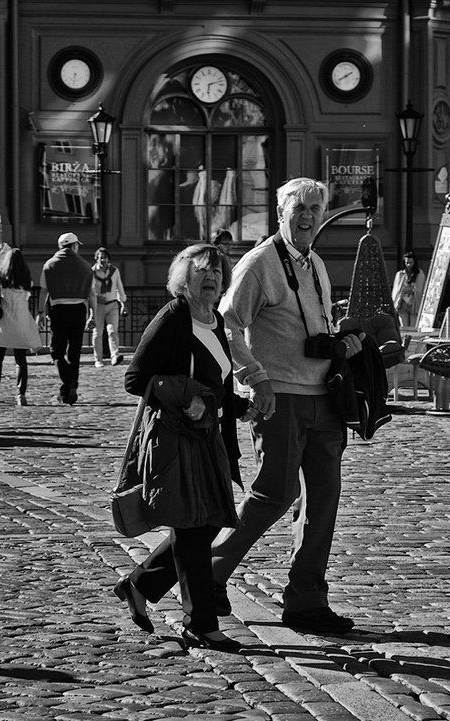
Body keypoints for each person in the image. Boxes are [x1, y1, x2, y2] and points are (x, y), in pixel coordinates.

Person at [214, 178, 366, 635]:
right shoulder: (260, 262)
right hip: (280, 399)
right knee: (272, 495)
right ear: (281, 212)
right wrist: (254, 379)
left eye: (316, 208)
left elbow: (309, 326)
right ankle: (205, 575)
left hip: (325, 400)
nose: (308, 215)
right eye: (299, 207)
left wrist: (343, 342)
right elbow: (228, 325)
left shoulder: (315, 262)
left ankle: (306, 601)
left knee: (323, 503)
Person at [113, 244, 258, 652]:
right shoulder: (173, 317)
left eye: (216, 271)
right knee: (195, 528)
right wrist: (185, 396)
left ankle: (140, 583)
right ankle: (200, 623)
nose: (210, 277)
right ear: (183, 277)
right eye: (200, 271)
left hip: (211, 438)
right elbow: (136, 379)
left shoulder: (213, 320)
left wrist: (241, 407)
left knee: (206, 521)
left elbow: (217, 384)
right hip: (179, 440)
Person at [37, 233, 95, 405]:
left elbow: (43, 291)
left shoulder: (49, 265)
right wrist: (93, 314)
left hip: (59, 310)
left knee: (56, 351)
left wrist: (40, 312)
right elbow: (92, 293)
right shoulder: (85, 266)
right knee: (75, 352)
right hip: (78, 310)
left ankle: (68, 382)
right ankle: (72, 387)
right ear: (74, 246)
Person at [0, 248, 42, 406]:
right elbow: (27, 296)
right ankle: (20, 395)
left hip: (3, 322)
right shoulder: (26, 279)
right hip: (20, 321)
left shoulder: (1, 277)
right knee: (20, 359)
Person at [91, 247, 127, 368]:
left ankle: (114, 356)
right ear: (96, 259)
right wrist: (96, 297)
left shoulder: (114, 271)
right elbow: (89, 290)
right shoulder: (92, 272)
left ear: (108, 259)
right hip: (98, 306)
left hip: (112, 304)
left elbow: (119, 287)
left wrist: (123, 303)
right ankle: (98, 359)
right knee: (98, 332)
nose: (102, 260)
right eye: (100, 258)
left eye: (104, 257)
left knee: (112, 331)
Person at [391, 251, 424, 327]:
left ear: (414, 262)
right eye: (407, 263)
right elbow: (396, 290)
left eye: (411, 262)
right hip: (402, 303)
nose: (409, 265)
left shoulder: (419, 274)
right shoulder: (400, 274)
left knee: (414, 327)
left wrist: (411, 290)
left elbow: (420, 289)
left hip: (415, 303)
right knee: (404, 327)